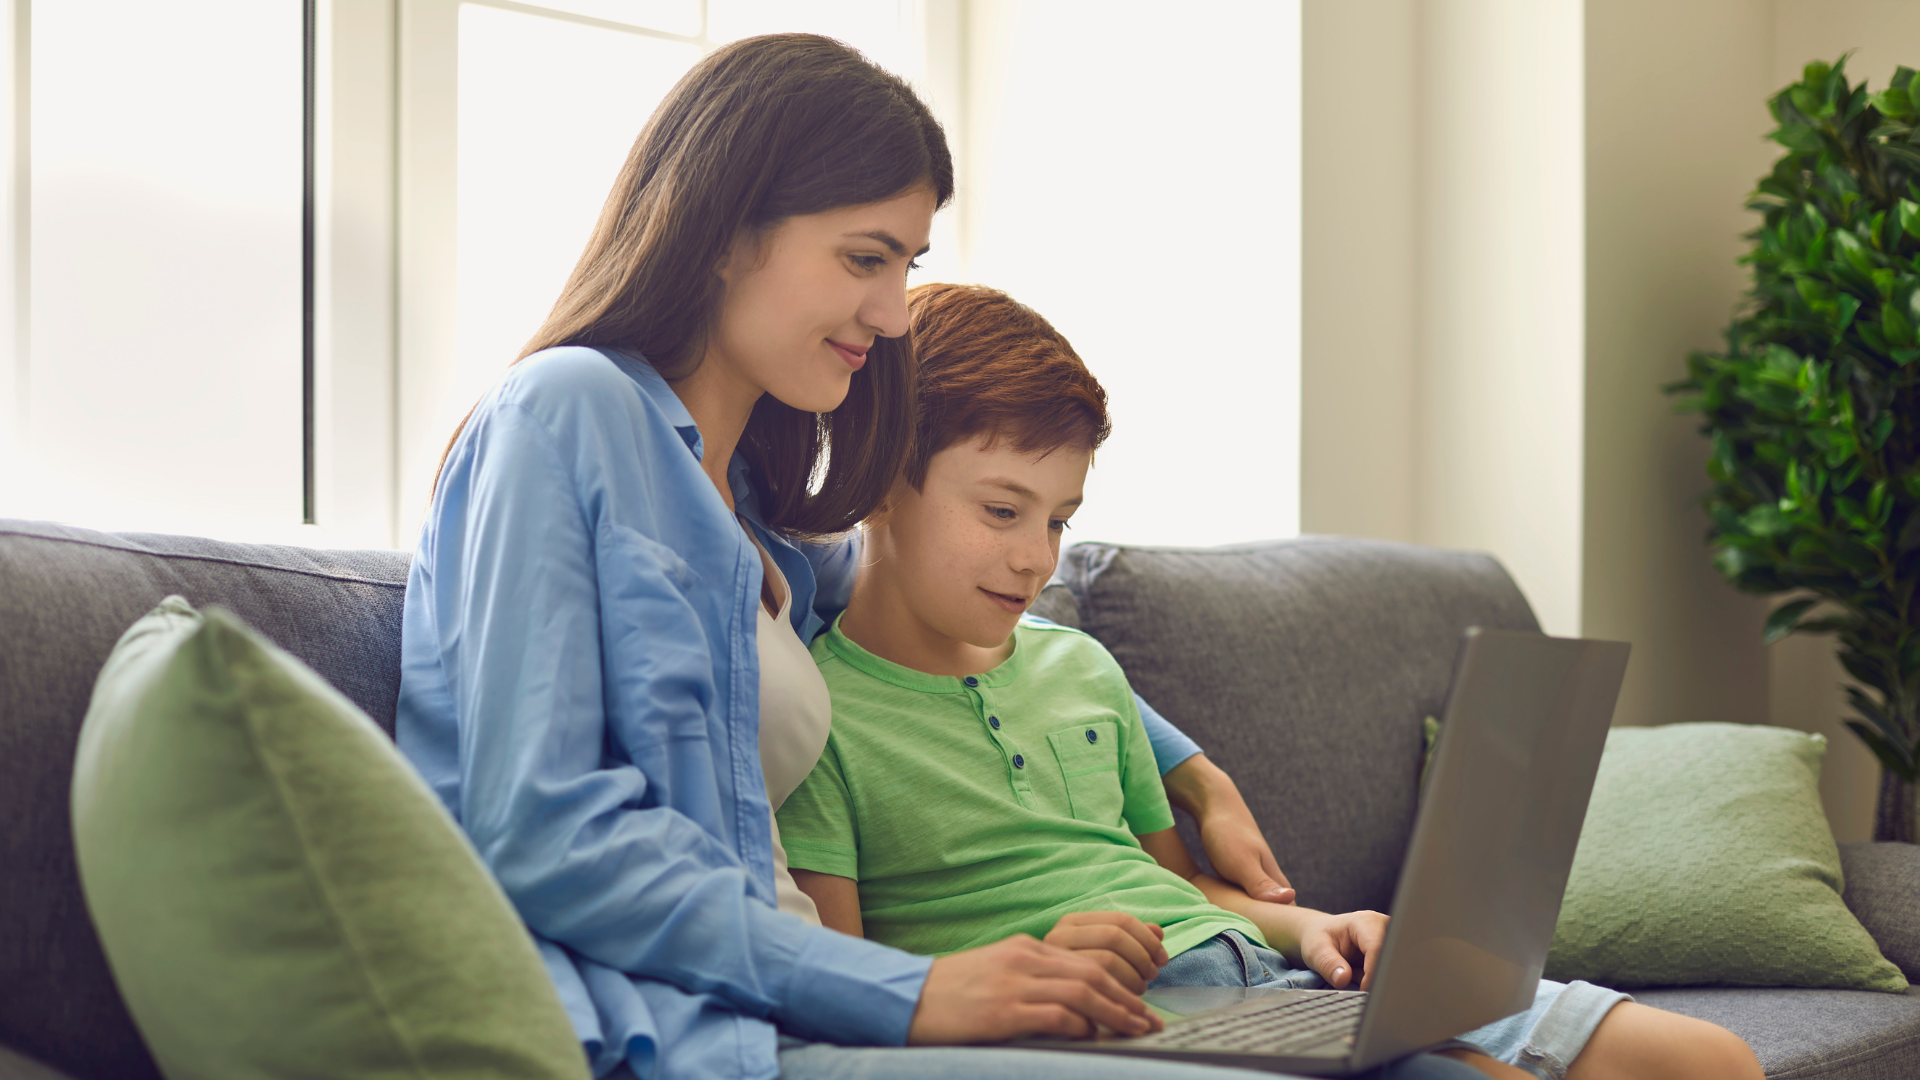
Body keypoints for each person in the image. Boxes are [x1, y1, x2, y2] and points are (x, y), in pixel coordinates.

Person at [396, 32, 1479, 1080]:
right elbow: (533, 832)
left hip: (813, 1008)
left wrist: (1189, 768)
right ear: (725, 231)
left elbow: (963, 622)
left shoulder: (761, 524)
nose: (891, 313)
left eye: (907, 264)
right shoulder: (566, 409)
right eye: (865, 259)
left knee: (1443, 1064)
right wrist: (907, 990)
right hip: (708, 1030)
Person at [776, 282, 1770, 1080]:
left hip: (1282, 978)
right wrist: (1013, 974)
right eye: (1002, 510)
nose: (1036, 557)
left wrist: (1319, 923)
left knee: (1707, 1060)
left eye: (1060, 519)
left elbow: (1180, 883)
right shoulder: (823, 714)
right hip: (1141, 1025)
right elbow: (858, 986)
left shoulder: (1082, 666)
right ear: (879, 480)